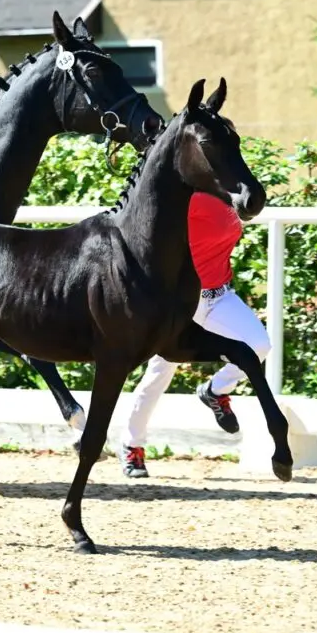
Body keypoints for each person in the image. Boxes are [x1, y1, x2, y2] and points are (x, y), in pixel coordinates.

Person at [116, 187, 272, 478]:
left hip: (221, 296)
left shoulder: (233, 196)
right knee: (160, 374)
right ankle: (131, 445)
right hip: (182, 301)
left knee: (259, 345)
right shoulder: (190, 197)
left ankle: (215, 391)